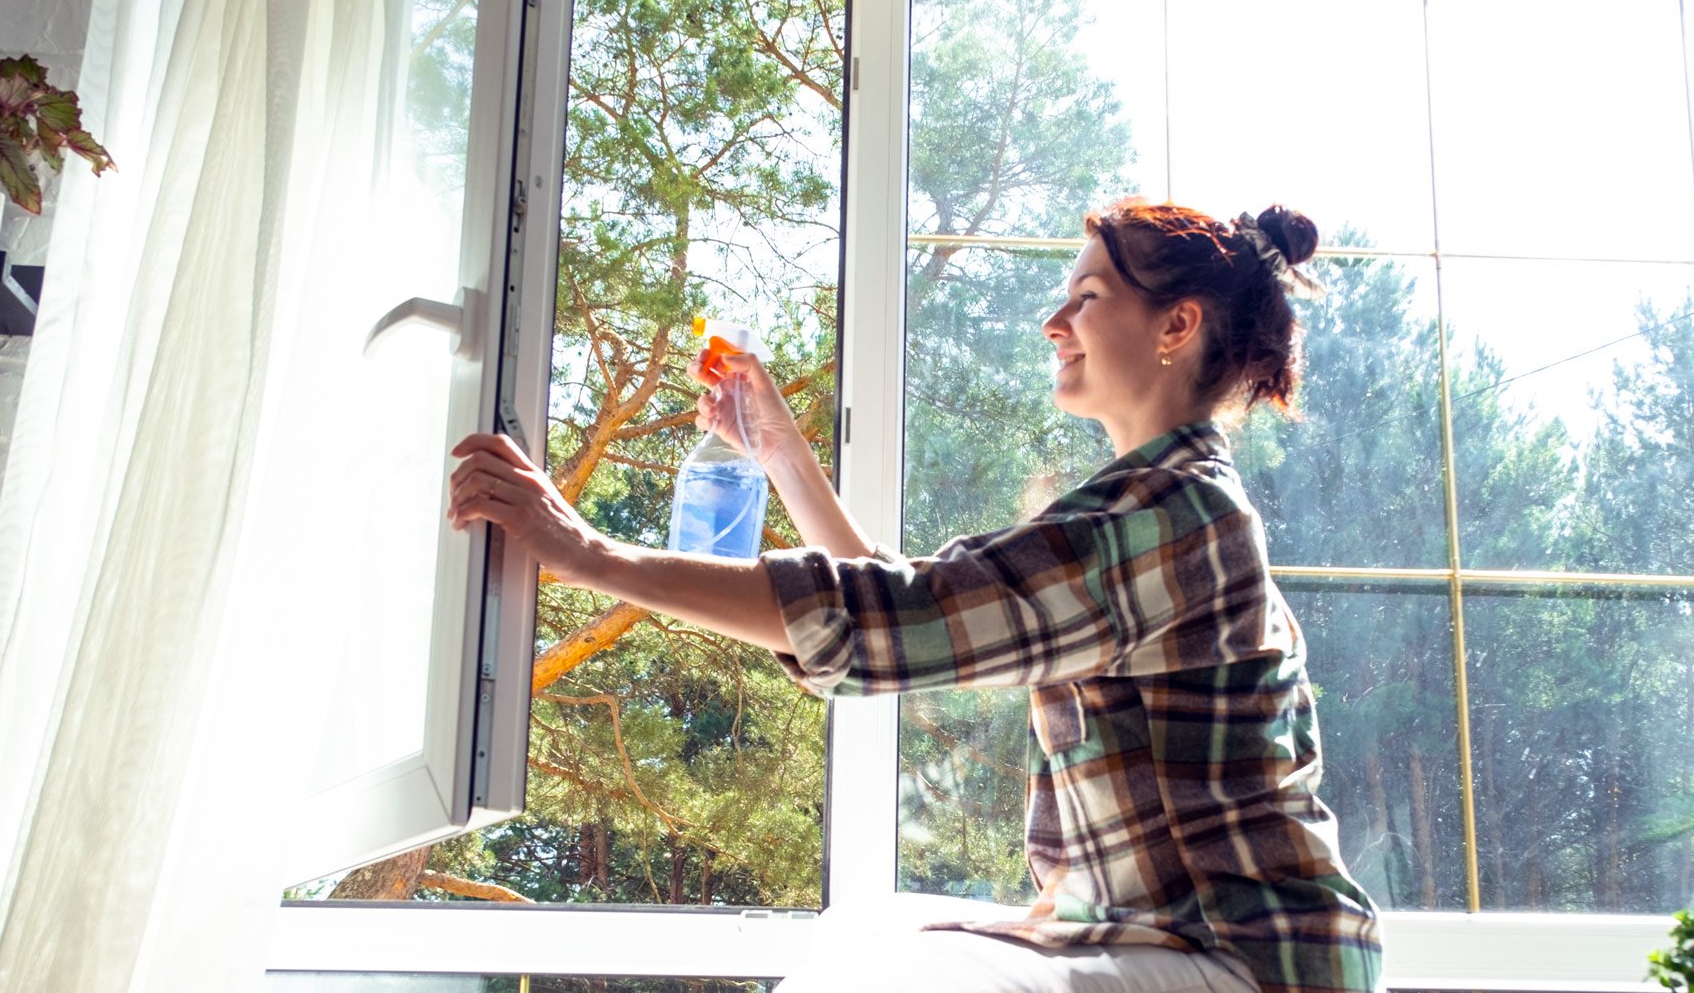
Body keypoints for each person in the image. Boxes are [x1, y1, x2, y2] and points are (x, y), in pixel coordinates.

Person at [446, 200, 1383, 993]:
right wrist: (776, 451)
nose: (1055, 322)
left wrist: (589, 551)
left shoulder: (1175, 516)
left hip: (1250, 963)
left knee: (899, 978)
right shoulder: (1154, 504)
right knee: (863, 935)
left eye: (1087, 298)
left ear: (1176, 327)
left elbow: (902, 619)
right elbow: (910, 602)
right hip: (1155, 935)